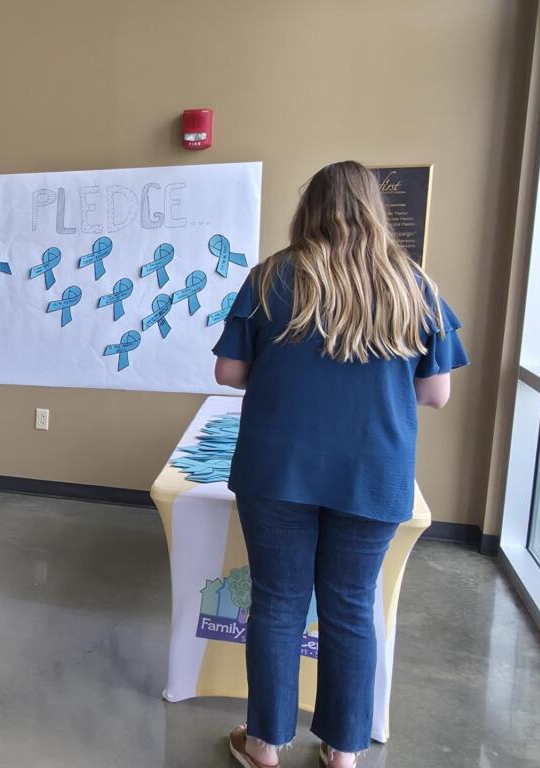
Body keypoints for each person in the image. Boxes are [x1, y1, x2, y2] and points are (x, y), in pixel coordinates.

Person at [212, 161, 468, 768]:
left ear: (310, 210)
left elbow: (229, 372)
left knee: (278, 601)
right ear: (375, 210)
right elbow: (435, 394)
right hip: (372, 470)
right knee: (352, 604)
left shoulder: (272, 276)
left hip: (278, 469)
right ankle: (343, 751)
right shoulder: (414, 286)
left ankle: (264, 745)